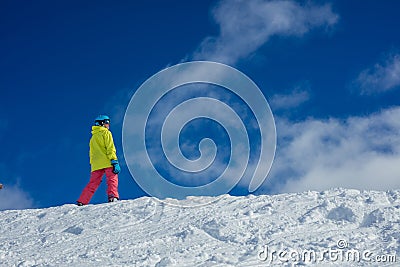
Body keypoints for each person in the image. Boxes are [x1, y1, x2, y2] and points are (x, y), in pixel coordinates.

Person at [77, 115, 121, 206]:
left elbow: (92, 153)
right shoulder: (106, 133)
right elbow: (110, 148)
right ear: (102, 123)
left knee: (93, 182)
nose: (108, 125)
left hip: (96, 165)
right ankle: (113, 196)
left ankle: (82, 200)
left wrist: (93, 164)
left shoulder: (93, 138)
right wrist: (114, 161)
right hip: (107, 161)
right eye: (107, 122)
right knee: (112, 179)